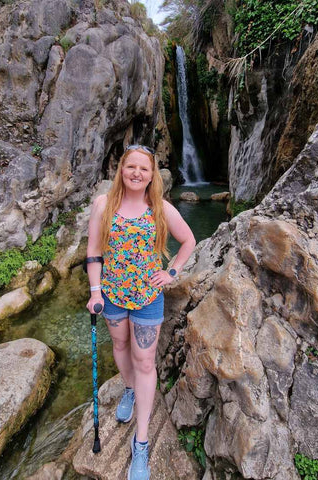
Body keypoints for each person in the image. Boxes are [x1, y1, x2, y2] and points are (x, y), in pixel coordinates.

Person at [86, 144, 196, 480]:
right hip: (113, 295)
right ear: (121, 169)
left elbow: (188, 241)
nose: (136, 173)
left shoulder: (160, 209)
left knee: (145, 360)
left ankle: (142, 441)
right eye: (131, 167)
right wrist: (95, 292)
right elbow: (93, 251)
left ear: (152, 175)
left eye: (143, 169)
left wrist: (172, 272)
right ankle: (130, 389)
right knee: (120, 347)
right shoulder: (103, 205)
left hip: (149, 296)